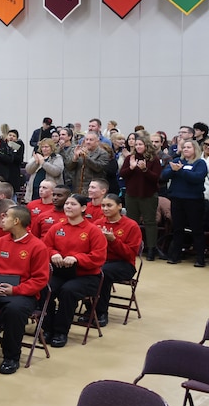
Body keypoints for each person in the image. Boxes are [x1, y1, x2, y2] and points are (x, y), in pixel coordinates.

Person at [0, 206, 50, 374]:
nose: (1, 219)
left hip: (22, 294)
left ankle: (11, 357)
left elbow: (40, 280)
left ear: (16, 221)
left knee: (14, 310)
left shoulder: (37, 246)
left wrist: (15, 290)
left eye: (5, 217)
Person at [42, 195, 107, 347]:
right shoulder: (57, 227)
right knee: (45, 287)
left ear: (84, 208)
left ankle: (60, 331)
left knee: (68, 291)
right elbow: (45, 247)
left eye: (73, 204)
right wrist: (53, 254)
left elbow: (99, 257)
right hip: (61, 272)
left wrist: (77, 258)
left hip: (86, 275)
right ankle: (47, 328)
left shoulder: (93, 231)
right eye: (67, 204)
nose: (68, 207)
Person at [92, 194, 143, 326]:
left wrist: (113, 240)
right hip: (102, 261)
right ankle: (90, 308)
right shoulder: (98, 223)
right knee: (88, 269)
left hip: (124, 264)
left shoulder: (131, 225)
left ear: (119, 206)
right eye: (103, 206)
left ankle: (101, 312)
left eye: (109, 205)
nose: (105, 208)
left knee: (103, 273)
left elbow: (130, 254)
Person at [161, 139, 207, 267]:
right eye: (184, 147)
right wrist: (173, 170)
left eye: (189, 147)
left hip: (194, 201)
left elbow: (197, 178)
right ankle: (175, 256)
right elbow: (164, 176)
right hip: (177, 199)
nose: (186, 149)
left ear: (195, 149)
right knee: (178, 229)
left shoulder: (200, 163)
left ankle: (200, 258)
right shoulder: (177, 161)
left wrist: (180, 171)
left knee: (196, 229)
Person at [119, 135, 161, 260]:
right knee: (132, 222)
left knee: (150, 222)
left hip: (148, 195)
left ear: (146, 145)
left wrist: (145, 169)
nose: (138, 147)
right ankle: (132, 247)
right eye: (136, 145)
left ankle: (151, 249)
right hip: (131, 194)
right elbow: (122, 174)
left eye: (140, 144)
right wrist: (131, 168)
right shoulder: (130, 158)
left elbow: (156, 178)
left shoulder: (154, 159)